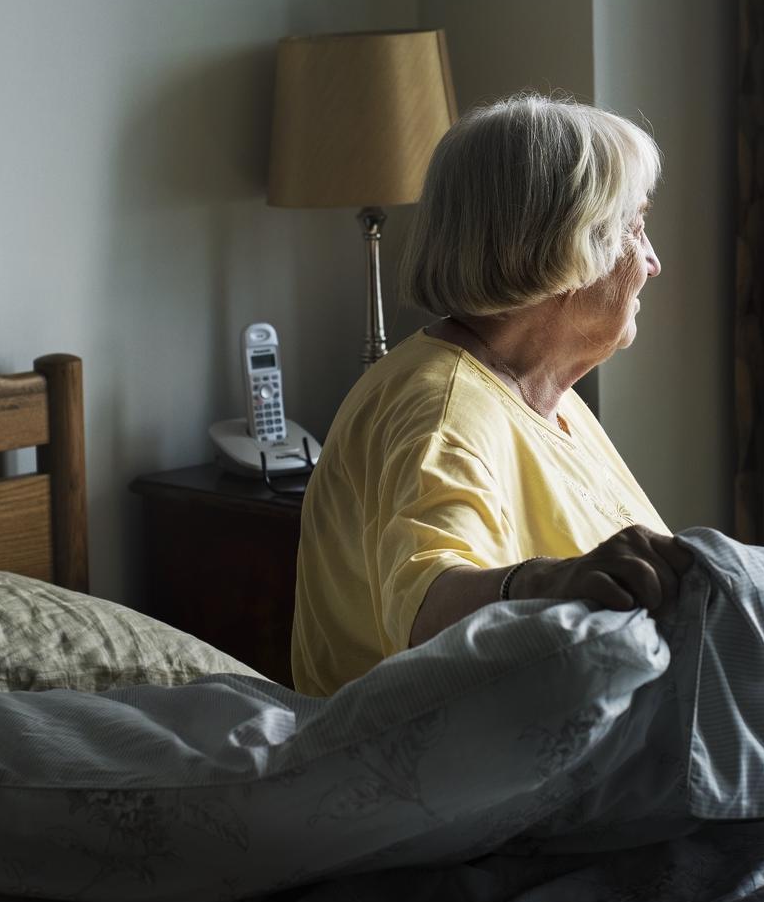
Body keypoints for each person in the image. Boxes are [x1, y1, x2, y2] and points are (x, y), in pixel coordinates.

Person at [289, 93, 692, 696]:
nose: (653, 262)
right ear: (566, 245)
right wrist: (552, 585)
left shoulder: (544, 395)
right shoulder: (442, 408)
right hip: (440, 770)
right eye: (635, 227)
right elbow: (428, 612)